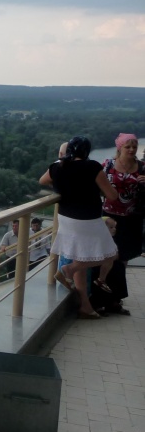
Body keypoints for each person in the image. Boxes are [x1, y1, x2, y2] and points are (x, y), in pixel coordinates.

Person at [39, 136, 119, 319]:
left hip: (66, 220)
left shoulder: (58, 167)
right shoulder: (92, 167)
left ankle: (85, 306)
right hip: (87, 220)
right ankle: (69, 269)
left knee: (81, 261)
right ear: (86, 152)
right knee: (111, 254)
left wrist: (64, 185)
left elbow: (42, 181)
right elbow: (112, 195)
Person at [101, 133, 144, 280]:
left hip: (131, 218)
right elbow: (92, 181)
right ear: (120, 148)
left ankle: (116, 292)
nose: (132, 150)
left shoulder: (142, 167)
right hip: (108, 217)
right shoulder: (108, 165)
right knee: (106, 253)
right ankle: (102, 286)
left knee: (123, 255)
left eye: (134, 146)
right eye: (128, 146)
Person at [90, 217, 131, 315]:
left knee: (119, 267)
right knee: (99, 274)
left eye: (114, 227)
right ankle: (98, 304)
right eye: (111, 227)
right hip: (96, 265)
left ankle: (113, 301)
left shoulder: (110, 239)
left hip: (107, 263)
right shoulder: (96, 239)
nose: (114, 229)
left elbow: (115, 255)